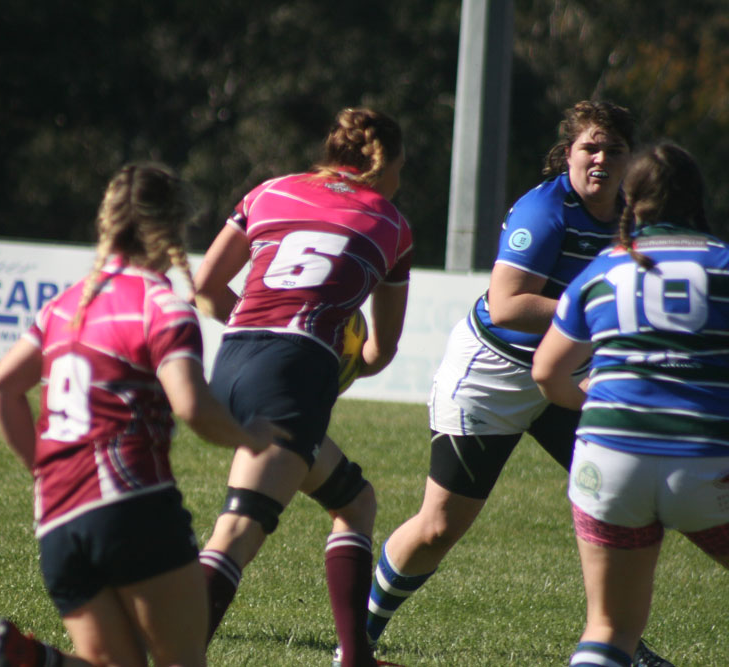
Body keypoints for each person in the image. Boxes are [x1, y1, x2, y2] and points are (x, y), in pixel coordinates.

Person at [364, 100, 670, 666]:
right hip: (494, 374)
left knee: (623, 499)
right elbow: (506, 305)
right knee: (438, 527)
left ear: (632, 158)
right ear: (569, 153)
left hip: (567, 373)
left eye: (614, 149)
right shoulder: (544, 210)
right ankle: (357, 640)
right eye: (590, 147)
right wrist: (602, 310)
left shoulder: (637, 214)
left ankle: (619, 645)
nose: (601, 159)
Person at [0, 162, 284, 667]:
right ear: (174, 226)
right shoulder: (160, 305)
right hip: (132, 509)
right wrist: (251, 437)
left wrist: (44, 471)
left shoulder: (66, 306)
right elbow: (191, 405)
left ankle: (25, 658)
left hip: (57, 521)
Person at [192, 107, 413, 667]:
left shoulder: (269, 192)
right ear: (384, 164)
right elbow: (380, 350)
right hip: (294, 370)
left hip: (233, 362)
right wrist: (346, 361)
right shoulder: (390, 223)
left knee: (355, 502)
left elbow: (206, 287)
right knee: (236, 533)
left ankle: (355, 657)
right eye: (400, 169)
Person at [531, 143, 729, 667]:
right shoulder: (724, 265)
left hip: (609, 464)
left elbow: (546, 372)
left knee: (609, 628)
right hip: (706, 463)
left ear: (631, 201)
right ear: (697, 198)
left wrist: (599, 410)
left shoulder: (600, 271)